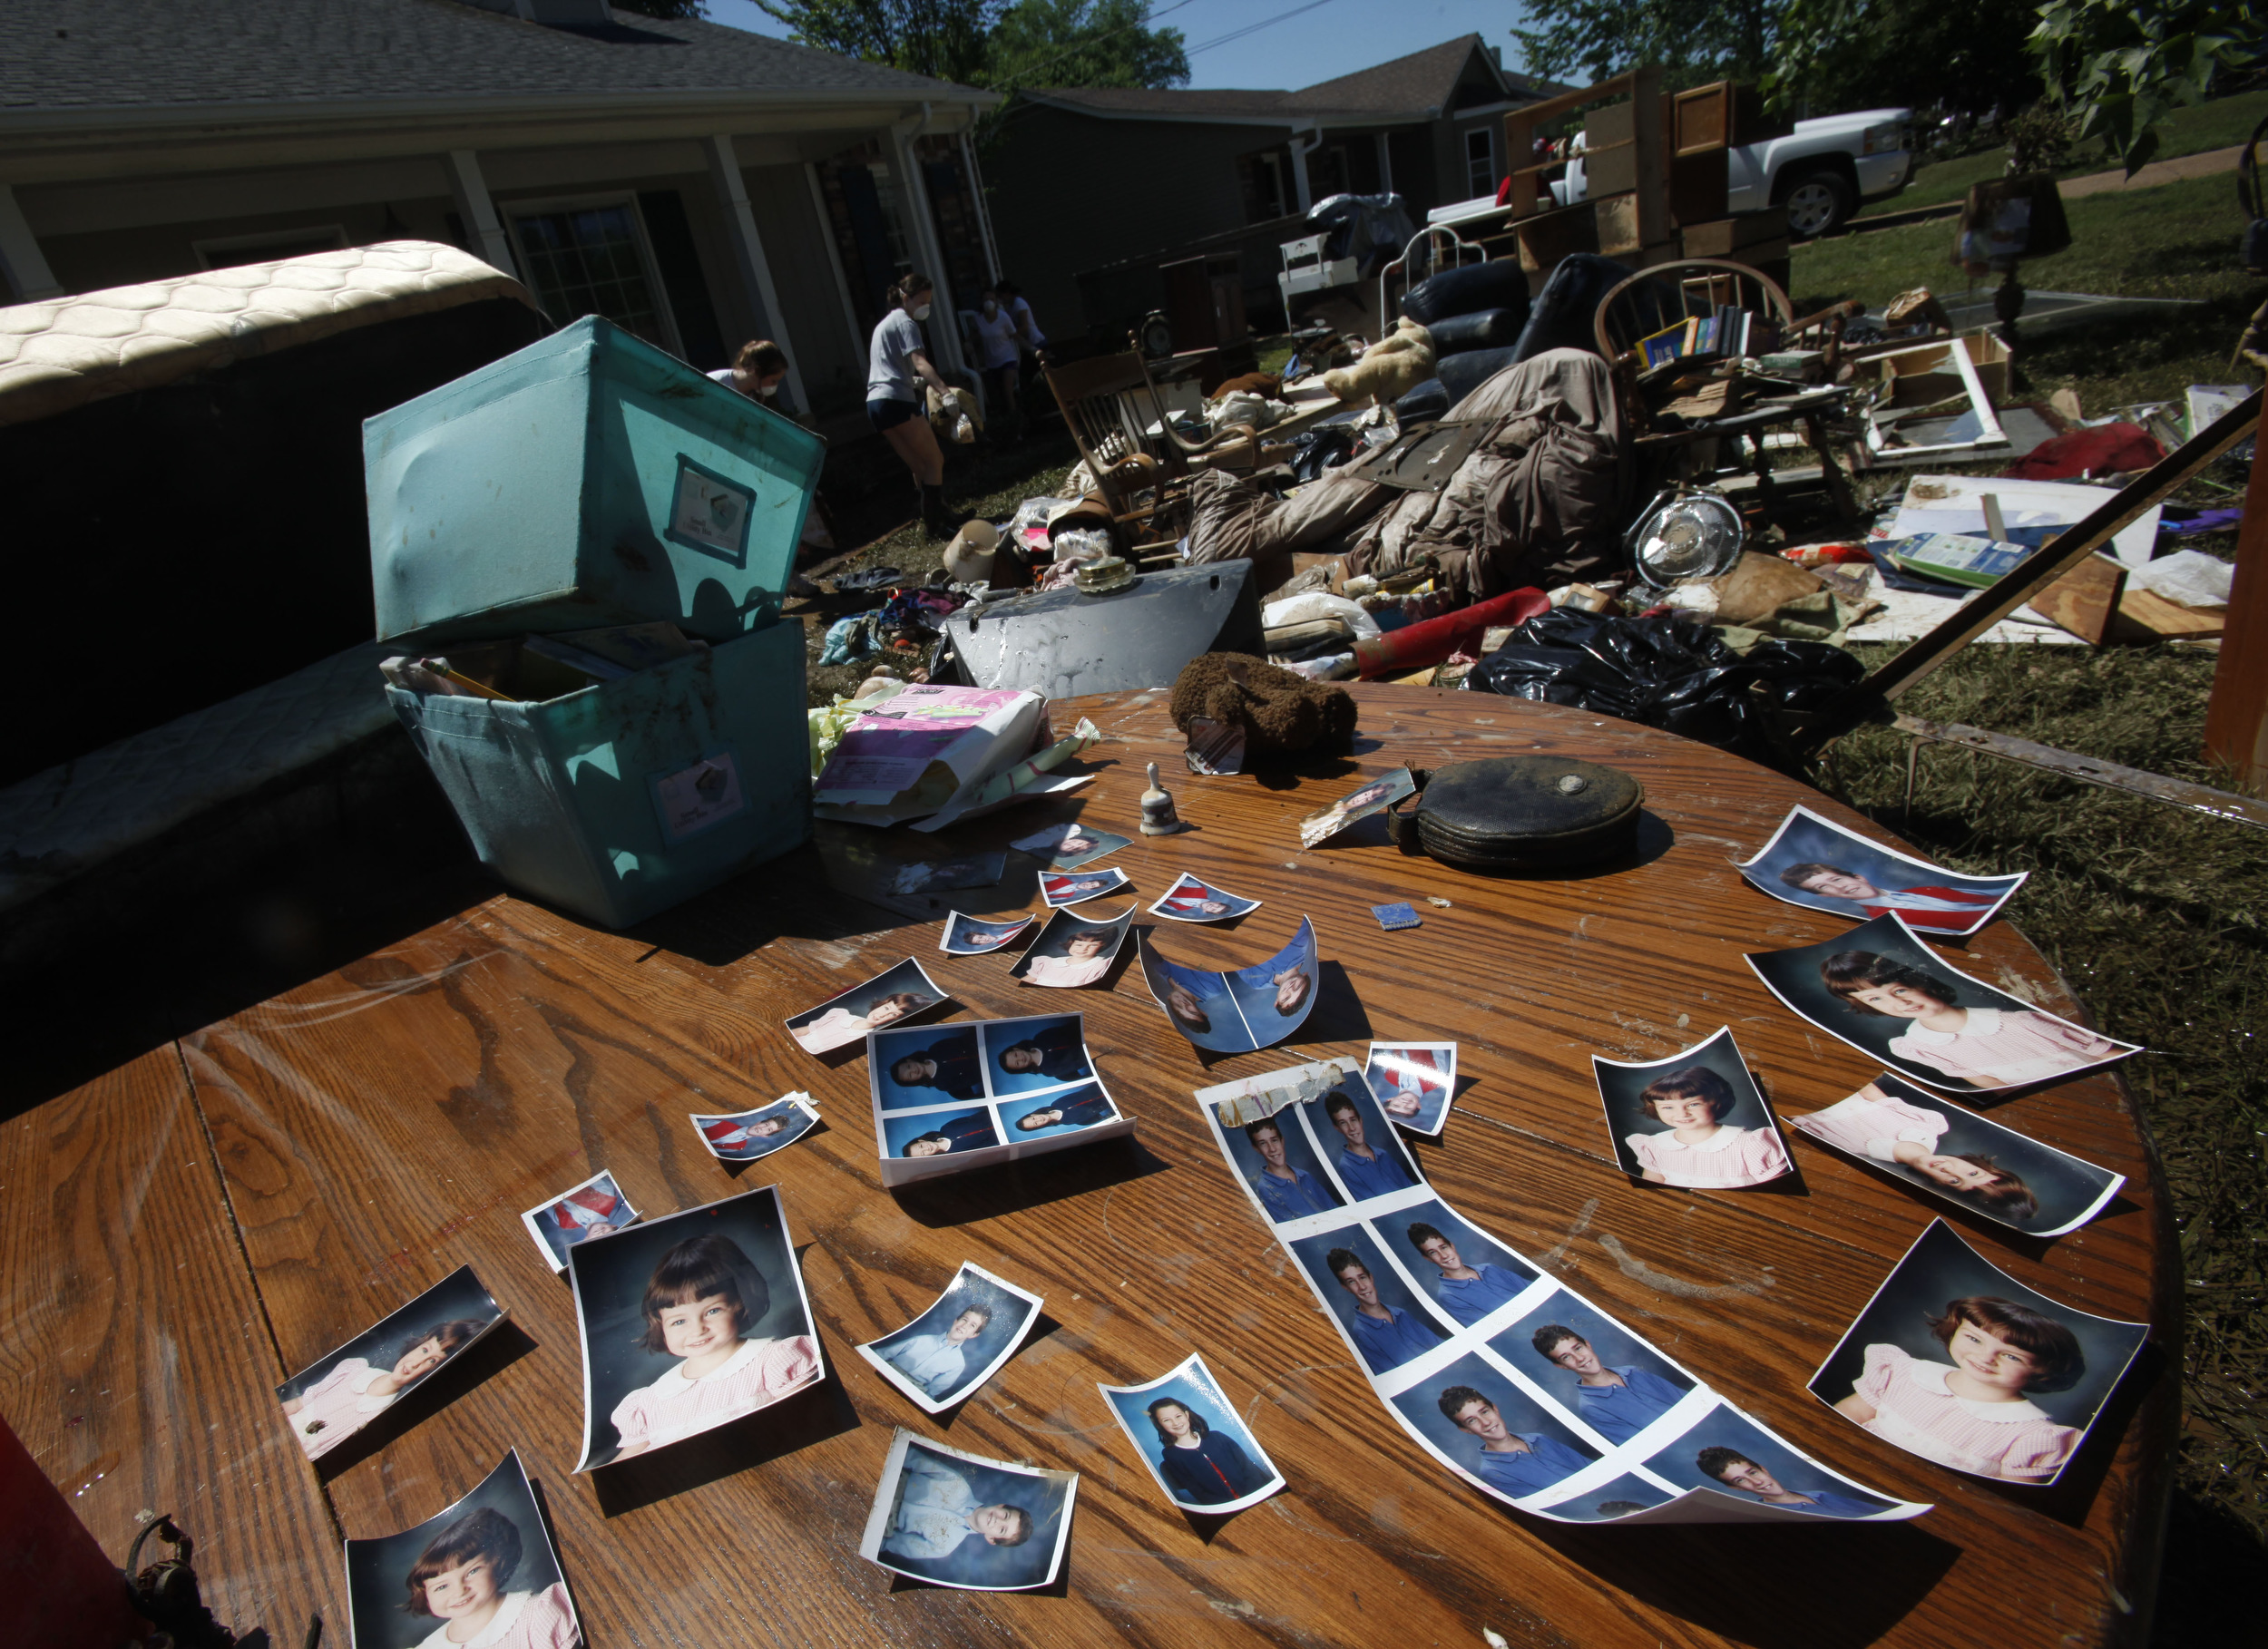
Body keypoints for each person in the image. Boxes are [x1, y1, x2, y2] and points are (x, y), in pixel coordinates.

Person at [607, 1233, 819, 1459]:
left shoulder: (774, 1361)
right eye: (679, 1321)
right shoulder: (648, 1401)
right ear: (660, 1325)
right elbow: (625, 1463)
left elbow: (806, 1426)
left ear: (740, 1304)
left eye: (712, 1311)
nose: (697, 1329)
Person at [1833, 1295, 2085, 1482]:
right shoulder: (1903, 1373)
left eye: (2012, 1356)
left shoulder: (2031, 1435)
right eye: (1974, 1339)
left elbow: (2007, 1499)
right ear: (1954, 1331)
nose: (1985, 1357)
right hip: (1847, 1465)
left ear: (2043, 1370)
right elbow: (1850, 1413)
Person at [1822, 951, 2122, 1088]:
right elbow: (1989, 1085)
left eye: (1899, 989)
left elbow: (2106, 1054)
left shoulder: (2020, 1022)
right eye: (1876, 999)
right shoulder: (1914, 1047)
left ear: (1919, 982)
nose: (1899, 1003)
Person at [1794, 1082, 2038, 1220]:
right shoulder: (1929, 1125)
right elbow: (1866, 1089)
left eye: (1954, 1181)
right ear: (1982, 1167)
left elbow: (1797, 1119)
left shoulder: (1858, 1158)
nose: (1948, 1169)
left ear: (1941, 1186)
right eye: (1973, 1174)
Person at [283, 1319, 486, 1459]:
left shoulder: (385, 1415)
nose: (416, 1363)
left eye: (431, 1361)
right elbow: (298, 1403)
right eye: (424, 1350)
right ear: (417, 1344)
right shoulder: (353, 1368)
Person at [865, 273, 966, 540]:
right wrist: (945, 393)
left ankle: (943, 516)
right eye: (922, 301)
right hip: (897, 400)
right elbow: (919, 360)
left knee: (920, 467)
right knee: (935, 460)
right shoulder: (906, 323)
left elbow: (887, 367)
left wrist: (914, 381)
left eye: (929, 301)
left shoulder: (883, 325)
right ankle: (934, 527)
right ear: (906, 298)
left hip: (876, 404)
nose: (926, 307)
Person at [400, 1506, 577, 1649]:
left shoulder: (539, 1616)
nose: (460, 1590)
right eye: (441, 1587)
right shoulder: (428, 1647)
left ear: (497, 1562)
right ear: (424, 1594)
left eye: (472, 1572)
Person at [1622, 1066, 1790, 1188]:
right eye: (1668, 1107)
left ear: (1716, 1102)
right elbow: (1652, 1187)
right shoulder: (1654, 1145)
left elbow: (1774, 1191)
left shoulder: (1750, 1144)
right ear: (1655, 1108)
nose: (1682, 1114)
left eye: (1693, 1104)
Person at [1529, 1325, 1686, 1445]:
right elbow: (1644, 1445)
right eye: (1566, 1357)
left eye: (1578, 1348)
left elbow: (1683, 1399)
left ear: (1587, 1345)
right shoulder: (1592, 1407)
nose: (1580, 1358)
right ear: (1561, 1366)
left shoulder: (1633, 1372)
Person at [1437, 1386, 1594, 1499]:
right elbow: (1554, 1504)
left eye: (1485, 1412)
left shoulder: (1539, 1439)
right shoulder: (1494, 1472)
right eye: (1472, 1421)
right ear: (1466, 1430)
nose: (1485, 1422)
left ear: (1495, 1409)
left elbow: (1589, 1467)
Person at [880, 1449, 1031, 1561]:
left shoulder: (945, 1546)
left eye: (1002, 1529)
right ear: (1000, 1506)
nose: (998, 1520)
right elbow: (911, 1458)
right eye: (1005, 1515)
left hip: (883, 1521)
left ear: (991, 1539)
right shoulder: (958, 1484)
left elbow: (889, 1543)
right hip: (887, 1477)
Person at [1777, 862, 2000, 932]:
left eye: (1836, 880)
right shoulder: (1890, 921)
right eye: (1825, 888)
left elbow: (1981, 897)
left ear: (1859, 877)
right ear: (1825, 897)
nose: (1841, 888)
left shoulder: (1925, 890)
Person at [1328, 1248, 1444, 1372]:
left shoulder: (1400, 1313)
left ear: (1371, 1278)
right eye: (1351, 1282)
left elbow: (1439, 1344)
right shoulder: (1362, 1332)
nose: (1362, 1287)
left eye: (1362, 1277)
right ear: (1345, 1287)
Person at [1695, 1446, 1882, 1517]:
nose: (1756, 1481)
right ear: (1735, 1488)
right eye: (1741, 1480)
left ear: (1763, 1469)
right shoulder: (1778, 1519)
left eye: (1752, 1472)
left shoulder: (1821, 1495)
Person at [1146, 1397, 1267, 1506]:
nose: (1175, 1423)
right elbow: (1197, 1490)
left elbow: (1248, 1467)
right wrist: (1227, 1506)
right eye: (1166, 1420)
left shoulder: (1217, 1437)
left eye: (1178, 1416)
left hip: (1256, 1493)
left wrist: (1251, 1496)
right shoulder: (1171, 1455)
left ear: (1186, 1415)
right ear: (1159, 1425)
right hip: (1224, 1507)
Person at [1403, 1222, 1528, 1325]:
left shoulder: (1489, 1269)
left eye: (1444, 1247)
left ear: (1452, 1246)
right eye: (1433, 1253)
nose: (1444, 1256)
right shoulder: (1449, 1295)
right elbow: (1492, 1329)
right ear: (1428, 1258)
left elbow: (1531, 1289)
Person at [884, 1302, 992, 1400]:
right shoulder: (922, 1339)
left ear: (974, 1334)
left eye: (972, 1325)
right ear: (956, 1321)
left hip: (912, 1392)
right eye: (964, 1320)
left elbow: (931, 1393)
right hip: (887, 1373)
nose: (964, 1326)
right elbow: (883, 1354)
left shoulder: (958, 1364)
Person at [1322, 1090, 1414, 1201]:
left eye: (1353, 1120)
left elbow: (1410, 1186)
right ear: (1337, 1127)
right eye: (1343, 1123)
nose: (1351, 1128)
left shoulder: (1382, 1154)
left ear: (1360, 1120)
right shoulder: (1347, 1167)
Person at [1244, 1117, 1337, 1221]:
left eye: (1274, 1140)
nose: (1272, 1149)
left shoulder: (1304, 1175)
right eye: (1263, 1143)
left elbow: (1333, 1208)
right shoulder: (1266, 1189)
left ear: (1282, 1141)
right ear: (1256, 1148)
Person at [791, 989, 935, 1054]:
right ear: (882, 1003)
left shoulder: (866, 1041)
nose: (881, 1015)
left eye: (892, 1015)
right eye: (886, 1008)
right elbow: (804, 1030)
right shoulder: (839, 1014)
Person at [972, 285, 1023, 444]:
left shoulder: (1003, 317)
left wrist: (1031, 348)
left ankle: (1017, 426)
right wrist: (967, 344)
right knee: (996, 396)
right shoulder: (978, 319)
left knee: (1008, 390)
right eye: (986, 299)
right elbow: (973, 337)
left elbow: (1014, 335)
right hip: (991, 363)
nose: (989, 302)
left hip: (1007, 359)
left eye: (992, 299)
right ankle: (1004, 428)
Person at [889, 1035, 985, 1101]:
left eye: (909, 1067)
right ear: (913, 1082)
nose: (914, 1070)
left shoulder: (935, 1048)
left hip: (984, 1045)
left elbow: (965, 1039)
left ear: (910, 1060)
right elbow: (973, 1078)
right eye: (910, 1075)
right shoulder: (943, 1084)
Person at [994, 1020, 1090, 1083]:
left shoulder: (1041, 1037)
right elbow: (1082, 1075)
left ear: (1016, 1049)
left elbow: (1071, 1026)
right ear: (1021, 1069)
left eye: (1015, 1055)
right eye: (1017, 1063)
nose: (1020, 1058)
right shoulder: (1050, 1071)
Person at [1022, 928, 1117, 988]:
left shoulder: (1098, 965)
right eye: (1079, 945)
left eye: (1093, 945)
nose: (1083, 949)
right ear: (1071, 944)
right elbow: (1029, 979)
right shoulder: (1047, 962)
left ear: (1102, 947)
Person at [708, 338, 790, 406]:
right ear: (757, 372)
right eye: (773, 381)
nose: (775, 385)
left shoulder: (757, 399)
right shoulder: (715, 382)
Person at [1013, 1088, 1115, 1132]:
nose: (1038, 1120)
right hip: (1112, 1103)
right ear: (1040, 1127)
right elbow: (1105, 1116)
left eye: (1034, 1118)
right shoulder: (1070, 1122)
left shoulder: (1057, 1103)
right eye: (1036, 1124)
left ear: (1033, 1114)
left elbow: (1082, 1092)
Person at [902, 1112, 1002, 1156]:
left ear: (922, 1140)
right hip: (999, 1137)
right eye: (923, 1153)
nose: (926, 1148)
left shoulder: (946, 1128)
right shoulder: (953, 1156)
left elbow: (971, 1118)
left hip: (997, 1116)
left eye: (921, 1146)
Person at [700, 1112, 789, 1155]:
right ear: (758, 1123)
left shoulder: (739, 1147)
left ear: (765, 1136)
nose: (762, 1128)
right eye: (765, 1124)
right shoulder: (721, 1124)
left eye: (768, 1130)